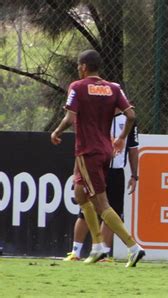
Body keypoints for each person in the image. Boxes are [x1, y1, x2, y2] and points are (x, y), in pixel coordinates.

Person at [51, 49, 145, 268]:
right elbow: (131, 115)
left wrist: (56, 132)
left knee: (102, 204)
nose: (78, 70)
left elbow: (70, 116)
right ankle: (97, 246)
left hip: (88, 150)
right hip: (105, 150)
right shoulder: (114, 88)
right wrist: (121, 138)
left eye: (78, 66)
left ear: (83, 67)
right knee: (80, 193)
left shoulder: (78, 86)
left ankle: (133, 247)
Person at [63, 111, 139, 262]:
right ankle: (75, 252)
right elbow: (82, 147)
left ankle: (102, 252)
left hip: (116, 172)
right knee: (85, 210)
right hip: (95, 169)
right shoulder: (96, 114)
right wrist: (77, 171)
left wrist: (134, 175)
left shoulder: (129, 120)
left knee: (113, 213)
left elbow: (133, 147)